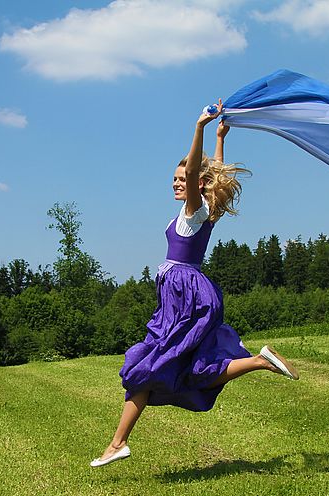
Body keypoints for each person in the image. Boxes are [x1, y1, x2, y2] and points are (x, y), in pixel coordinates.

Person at [91, 100, 299, 468]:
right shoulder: (208, 207)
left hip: (184, 295)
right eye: (174, 179)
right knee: (190, 369)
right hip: (190, 293)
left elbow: (198, 174)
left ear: (196, 184)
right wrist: (221, 138)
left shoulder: (194, 209)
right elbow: (213, 172)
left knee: (148, 367)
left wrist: (200, 128)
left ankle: (118, 442)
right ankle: (258, 362)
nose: (176, 184)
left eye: (181, 179)